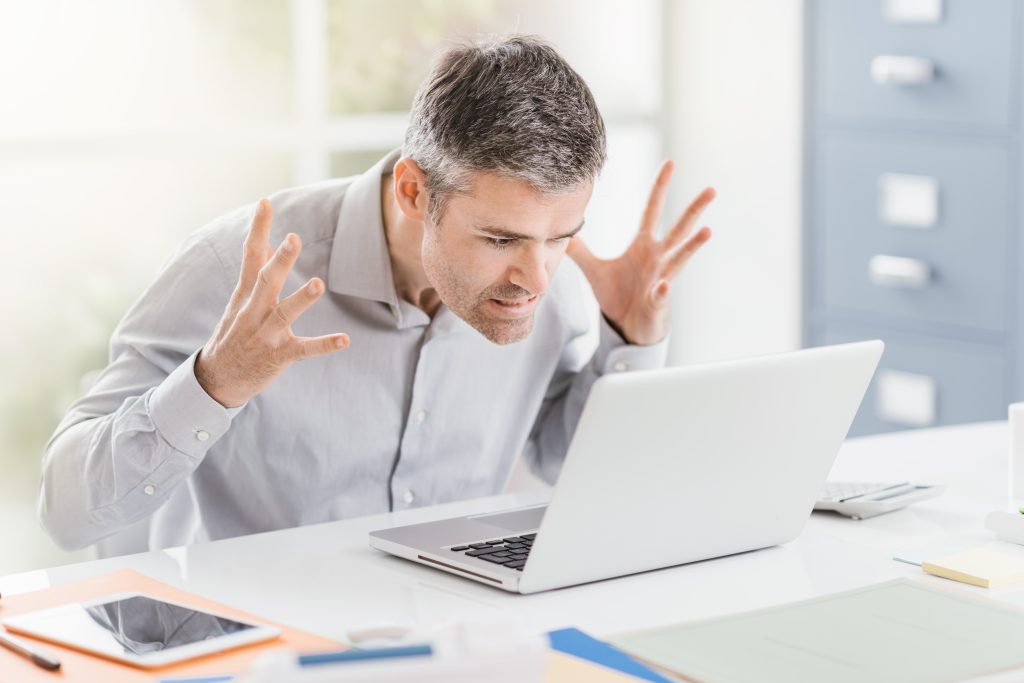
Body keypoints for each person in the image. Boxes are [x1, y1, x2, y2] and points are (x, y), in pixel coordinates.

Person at [38, 36, 714, 552]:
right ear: (416, 192)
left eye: (564, 235)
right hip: (248, 654)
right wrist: (215, 383)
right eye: (501, 239)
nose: (537, 277)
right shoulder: (235, 270)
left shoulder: (551, 288)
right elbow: (65, 511)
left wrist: (629, 342)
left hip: (447, 641)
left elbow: (564, 460)